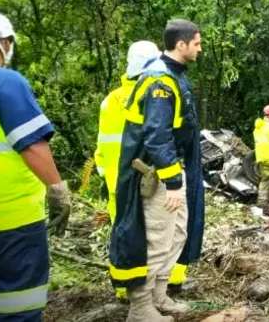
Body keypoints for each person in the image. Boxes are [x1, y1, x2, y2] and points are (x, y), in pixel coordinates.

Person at [109, 19, 206, 322]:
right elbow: (157, 135)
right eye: (197, 43)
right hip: (158, 175)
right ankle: (140, 308)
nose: (200, 49)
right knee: (156, 236)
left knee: (176, 233)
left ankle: (159, 296)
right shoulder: (160, 83)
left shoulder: (173, 76)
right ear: (181, 45)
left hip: (174, 169)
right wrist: (174, 181)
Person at [0, 13, 72, 322]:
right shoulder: (3, 82)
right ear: (5, 43)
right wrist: (58, 191)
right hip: (9, 223)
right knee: (17, 306)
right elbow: (32, 145)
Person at [93, 40, 160, 301]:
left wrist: (103, 171)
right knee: (150, 230)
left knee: (121, 229)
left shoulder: (110, 100)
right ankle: (157, 285)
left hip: (114, 176)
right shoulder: (151, 94)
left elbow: (102, 143)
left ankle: (123, 287)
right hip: (143, 175)